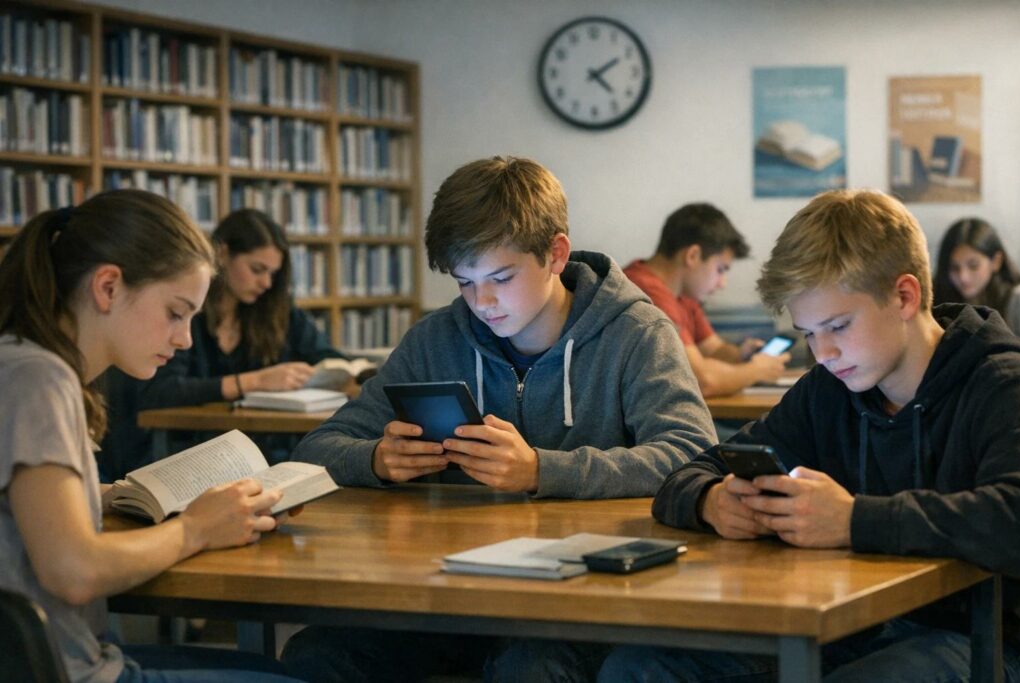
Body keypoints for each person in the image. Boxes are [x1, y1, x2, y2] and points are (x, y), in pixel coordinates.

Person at [281, 156, 717, 682]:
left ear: (556, 253)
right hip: (447, 594)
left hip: (584, 603)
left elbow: (691, 456)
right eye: (465, 282)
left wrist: (541, 470)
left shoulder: (637, 333)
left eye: (501, 278)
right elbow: (318, 446)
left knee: (532, 669)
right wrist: (375, 458)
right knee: (318, 656)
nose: (482, 302)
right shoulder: (436, 338)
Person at [597, 190, 1020, 682]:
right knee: (639, 668)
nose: (822, 353)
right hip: (859, 620)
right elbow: (693, 470)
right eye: (808, 333)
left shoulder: (1000, 381)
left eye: (838, 326)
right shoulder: (829, 388)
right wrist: (710, 501)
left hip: (987, 639)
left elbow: (1013, 516)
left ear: (904, 296)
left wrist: (854, 521)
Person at [0, 190, 302, 682]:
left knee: (270, 667)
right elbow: (73, 571)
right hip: (72, 670)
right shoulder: (40, 379)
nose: (184, 338)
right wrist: (195, 528)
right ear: (108, 286)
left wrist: (119, 496)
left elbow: (23, 507)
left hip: (69, 658)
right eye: (175, 312)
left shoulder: (19, 361)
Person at [122, 208, 354, 472]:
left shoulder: (278, 312)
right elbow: (161, 391)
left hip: (267, 459)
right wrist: (255, 381)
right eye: (257, 269)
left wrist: (345, 374)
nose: (266, 282)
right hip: (189, 458)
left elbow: (328, 357)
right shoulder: (188, 313)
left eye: (273, 274)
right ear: (222, 254)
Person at [624, 203, 789, 397]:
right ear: (693, 256)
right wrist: (756, 370)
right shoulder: (647, 295)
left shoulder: (682, 295)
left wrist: (742, 355)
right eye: (720, 270)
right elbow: (701, 381)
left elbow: (713, 348)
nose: (722, 283)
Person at [933, 216, 1020, 336]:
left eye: (973, 266)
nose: (963, 277)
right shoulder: (940, 303)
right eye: (955, 268)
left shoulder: (1018, 300)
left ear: (996, 261)